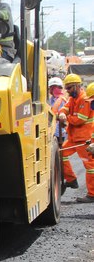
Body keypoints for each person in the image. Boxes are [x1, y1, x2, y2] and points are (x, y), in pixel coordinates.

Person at [58, 74, 94, 203]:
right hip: (74, 137)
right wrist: (62, 113)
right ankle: (71, 179)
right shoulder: (73, 98)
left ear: (77, 86)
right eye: (66, 88)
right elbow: (66, 107)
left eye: (69, 88)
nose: (67, 90)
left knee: (90, 166)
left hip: (84, 139)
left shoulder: (85, 99)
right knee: (61, 153)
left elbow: (80, 119)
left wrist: (66, 118)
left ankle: (92, 194)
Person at [48, 76, 67, 147]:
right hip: (53, 129)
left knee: (60, 148)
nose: (51, 89)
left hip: (60, 131)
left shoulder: (62, 100)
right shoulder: (51, 99)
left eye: (52, 87)